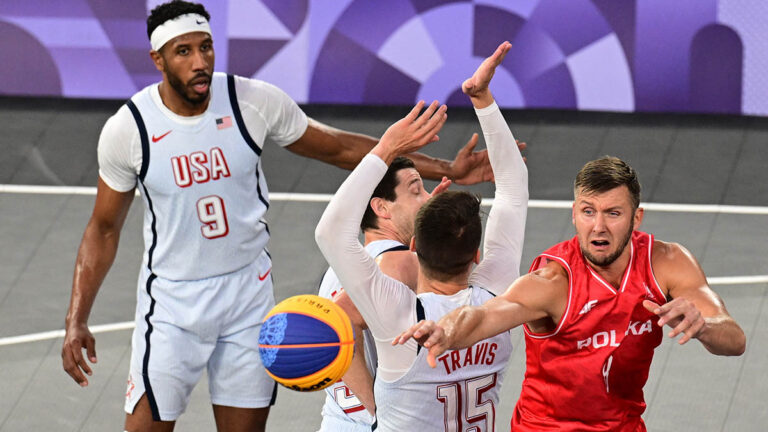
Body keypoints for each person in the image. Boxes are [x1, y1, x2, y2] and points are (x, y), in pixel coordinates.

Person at [59, 1, 495, 431]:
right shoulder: (129, 129)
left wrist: (445, 168)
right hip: (172, 303)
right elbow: (104, 228)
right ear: (158, 59)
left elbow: (339, 148)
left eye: (206, 47)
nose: (200, 62)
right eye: (184, 51)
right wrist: (77, 317)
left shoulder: (251, 101)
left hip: (247, 296)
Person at [396, 157, 747, 431]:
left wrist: (704, 327)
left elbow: (734, 340)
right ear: (574, 215)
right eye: (588, 212)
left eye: (613, 213)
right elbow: (486, 315)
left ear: (636, 218)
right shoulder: (552, 281)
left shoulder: (667, 263)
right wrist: (446, 330)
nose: (599, 226)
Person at [316, 41, 528, 431]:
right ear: (477, 254)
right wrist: (483, 99)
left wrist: (387, 146)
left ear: (413, 249)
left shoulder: (399, 314)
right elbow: (513, 188)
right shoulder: (499, 302)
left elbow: (330, 232)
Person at [317, 156, 451, 431]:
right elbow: (337, 324)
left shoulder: (340, 267)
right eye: (417, 191)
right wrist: (379, 413)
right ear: (381, 207)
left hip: (338, 420)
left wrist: (432, 234)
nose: (428, 199)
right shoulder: (401, 263)